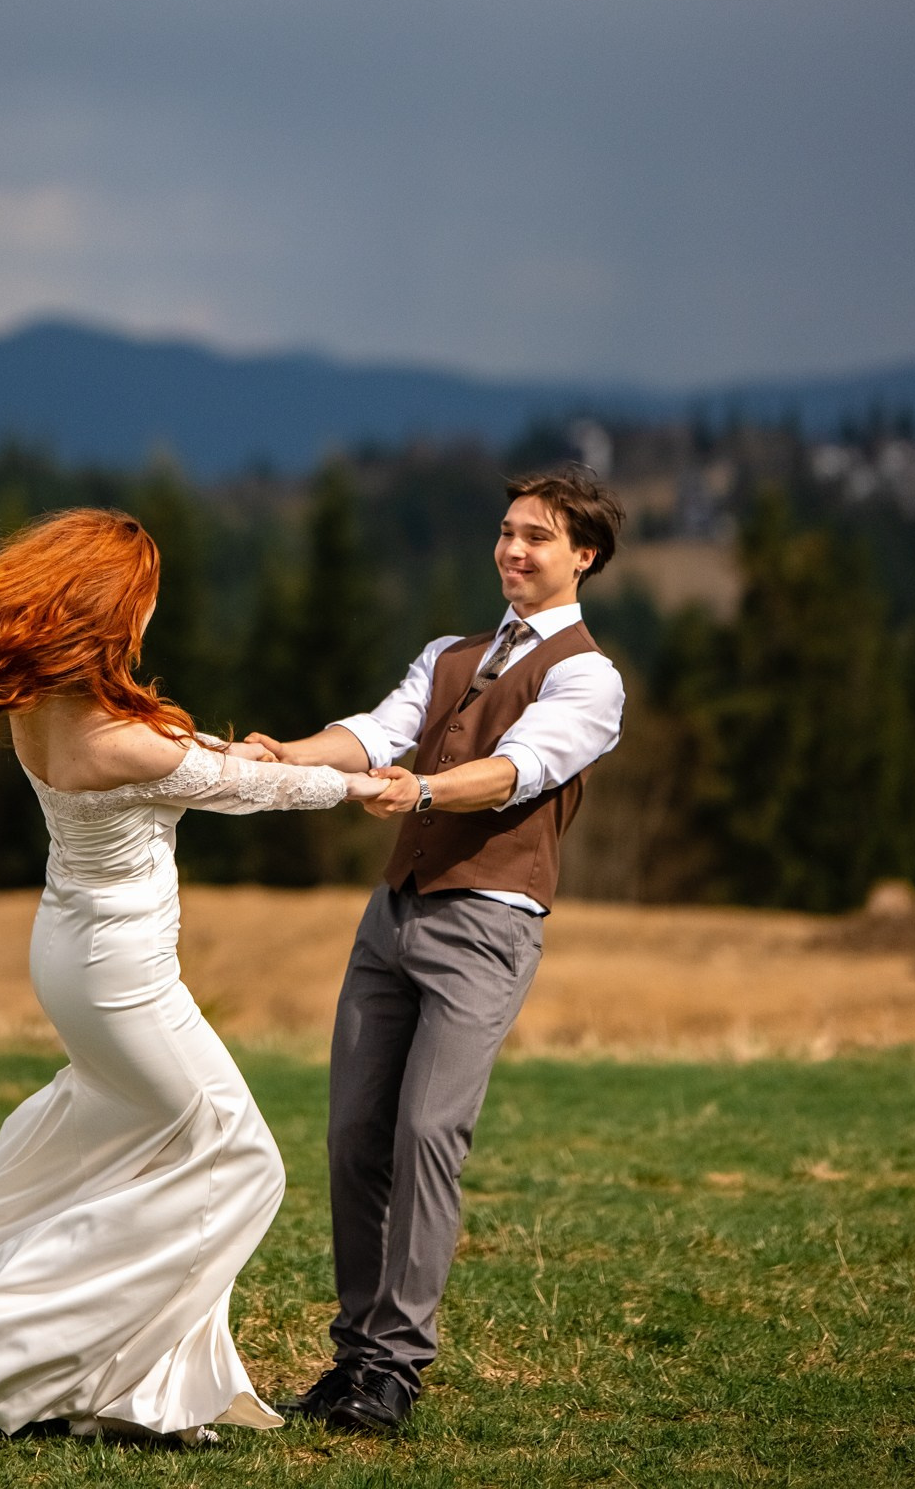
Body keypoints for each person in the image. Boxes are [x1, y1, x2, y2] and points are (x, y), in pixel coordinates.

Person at [0, 506, 381, 1444]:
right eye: (144, 603)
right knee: (240, 1161)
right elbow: (245, 787)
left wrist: (242, 754)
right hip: (120, 974)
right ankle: (24, 1355)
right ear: (111, 610)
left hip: (74, 955)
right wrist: (363, 785)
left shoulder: (43, 705)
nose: (152, 619)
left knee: (128, 1142)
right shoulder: (113, 740)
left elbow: (199, 763)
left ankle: (109, 1360)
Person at [251, 467, 626, 1434]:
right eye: (506, 532)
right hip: (394, 914)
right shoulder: (451, 652)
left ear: (583, 556)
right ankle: (354, 1357)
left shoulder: (589, 677)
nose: (512, 550)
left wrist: (415, 792)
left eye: (537, 537)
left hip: (487, 925)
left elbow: (517, 771)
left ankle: (396, 1371)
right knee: (353, 1137)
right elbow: (381, 729)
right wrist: (285, 756)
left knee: (427, 1134)